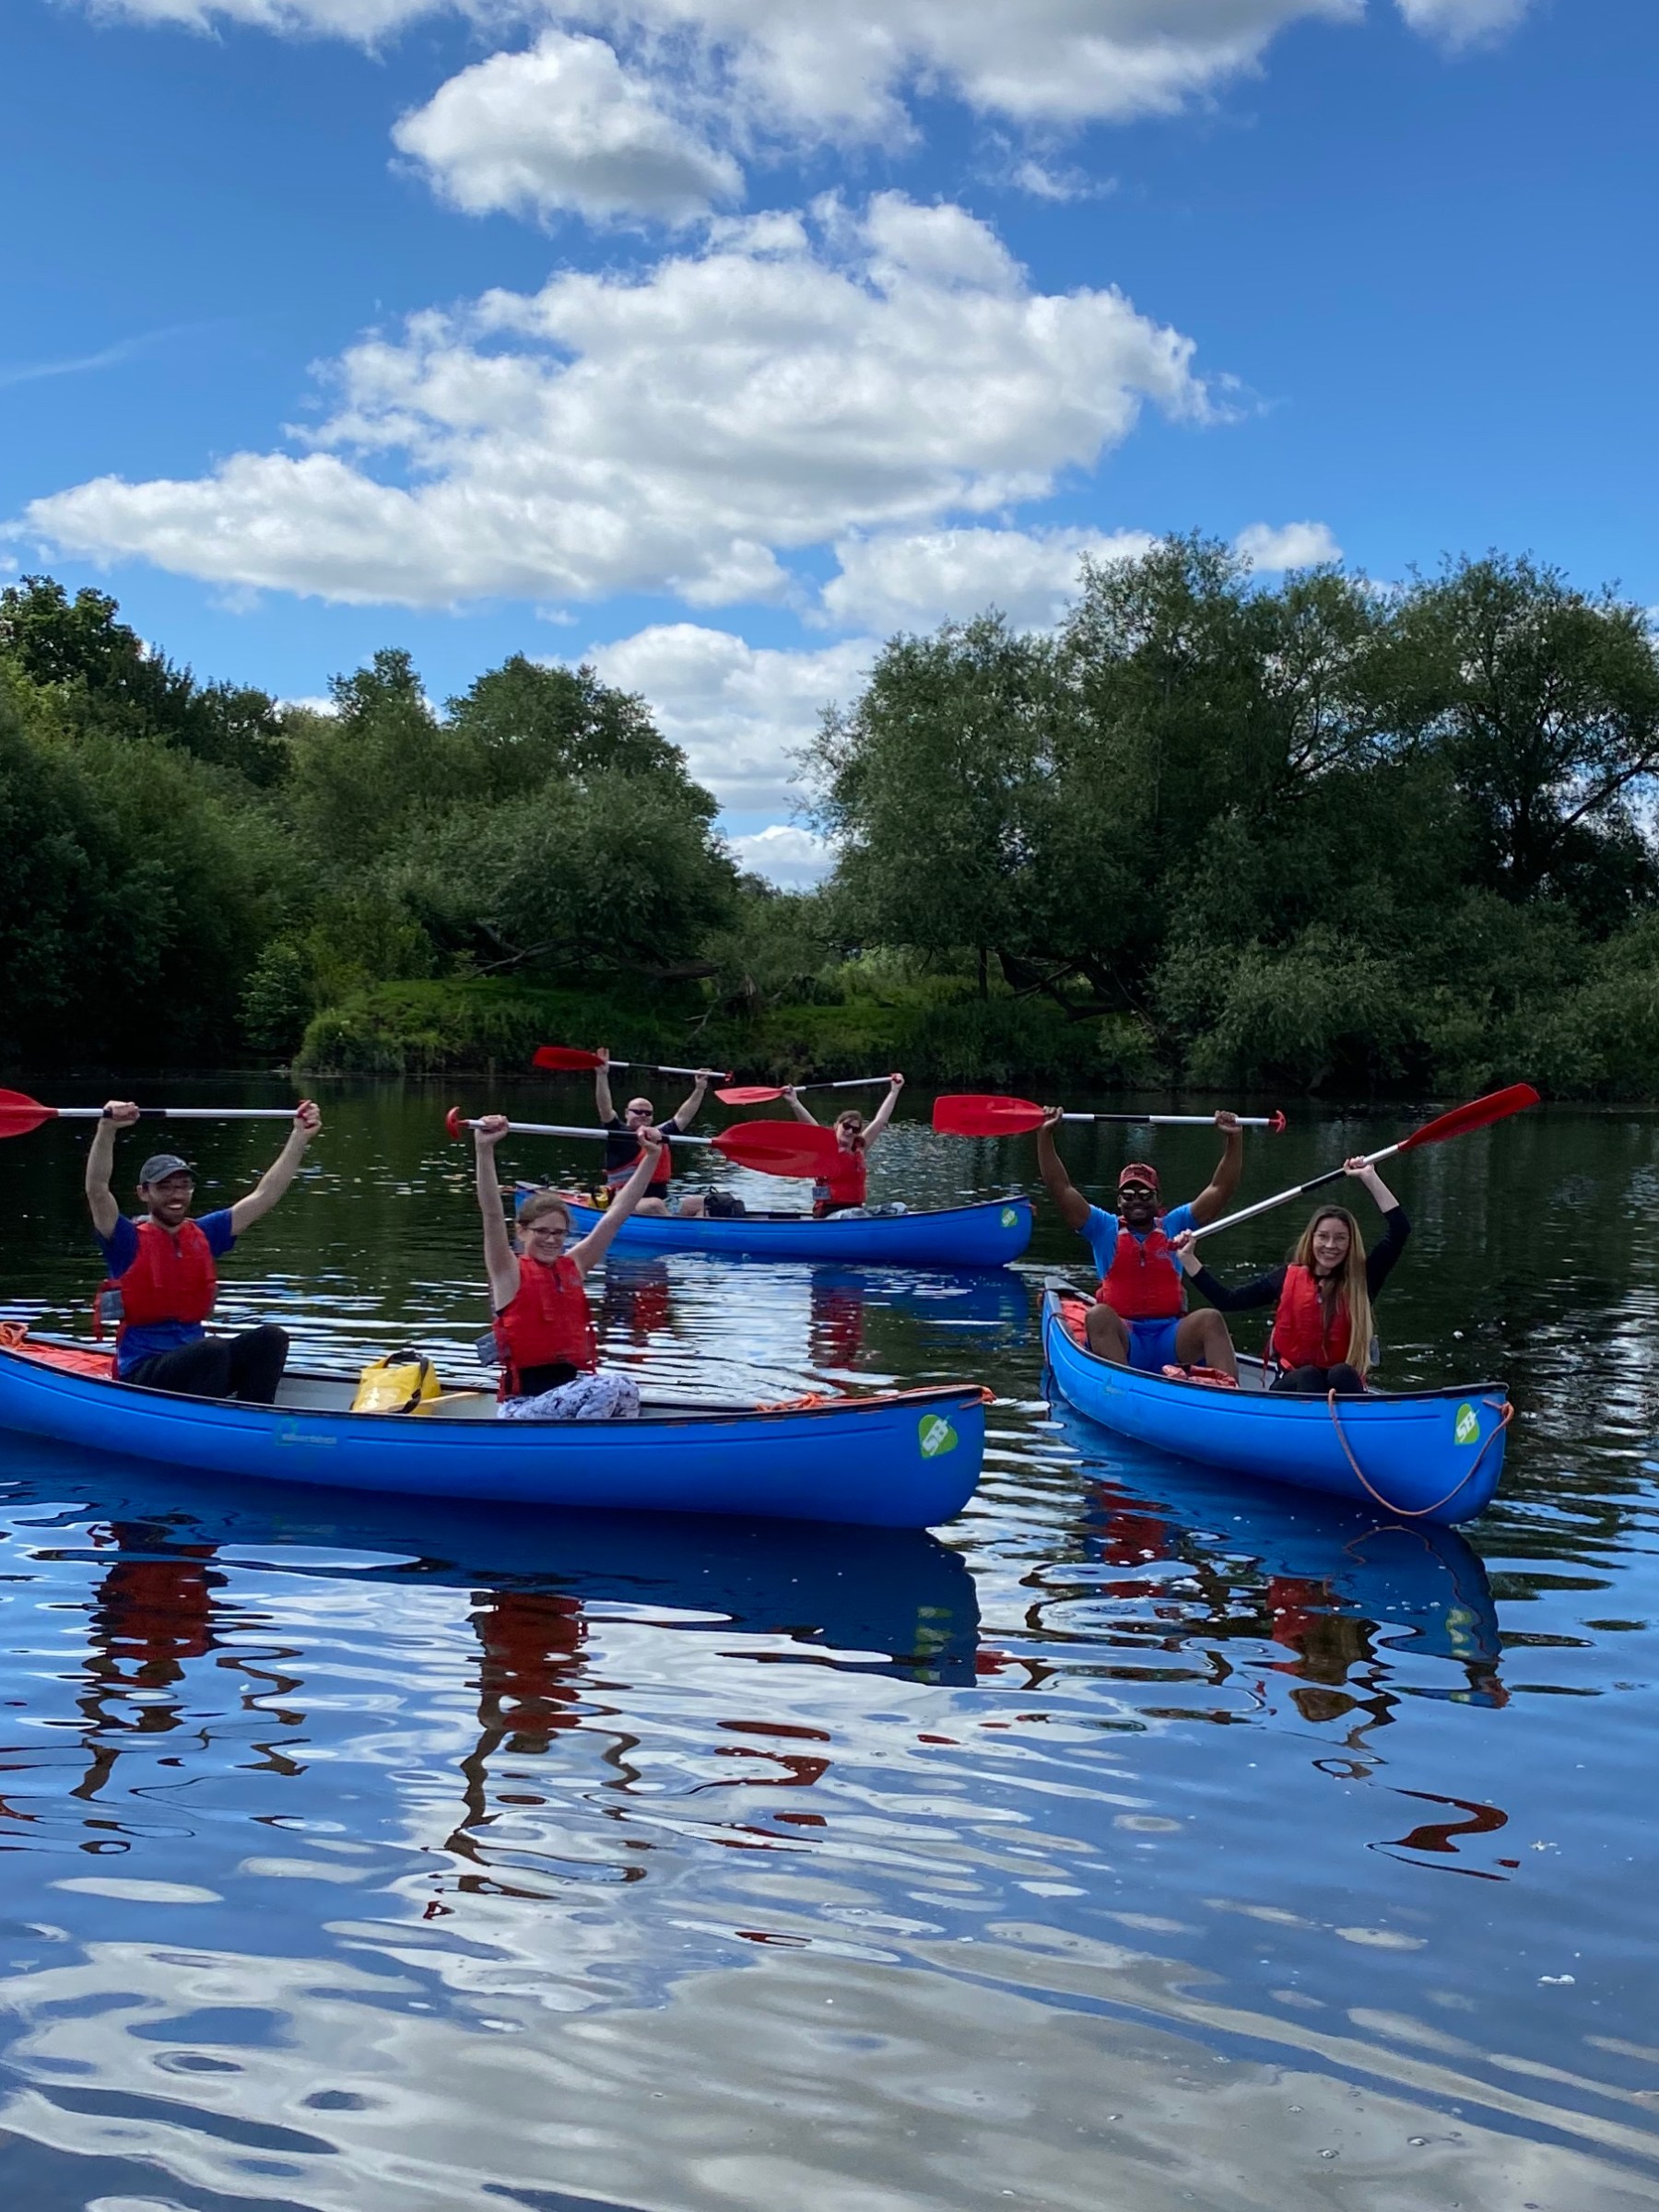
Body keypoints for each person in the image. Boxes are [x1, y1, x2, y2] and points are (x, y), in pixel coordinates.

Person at [86, 1100, 322, 1401]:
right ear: (144, 1193)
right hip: (143, 1372)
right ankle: (213, 1424)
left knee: (271, 1338)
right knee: (212, 1349)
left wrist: (299, 1137)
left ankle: (256, 1418)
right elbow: (97, 1189)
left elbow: (265, 1196)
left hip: (199, 1365)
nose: (177, 1195)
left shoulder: (205, 1234)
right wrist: (107, 1129)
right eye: (166, 1187)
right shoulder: (124, 1241)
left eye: (183, 1186)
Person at [473, 1111, 662, 1419]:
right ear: (522, 1231)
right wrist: (485, 1149)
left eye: (558, 1233)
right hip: (521, 1408)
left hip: (561, 1398)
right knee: (604, 1387)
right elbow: (492, 1214)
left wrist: (651, 1158)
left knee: (627, 1387)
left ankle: (611, 1451)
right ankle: (585, 1456)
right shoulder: (508, 1271)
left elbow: (615, 1216)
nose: (551, 1240)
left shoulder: (573, 1266)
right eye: (541, 1231)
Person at [1037, 1106, 1244, 1377]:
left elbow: (1220, 1189)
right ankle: (1123, 1390)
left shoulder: (1174, 1224)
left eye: (1145, 1193)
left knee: (1210, 1319)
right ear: (1119, 1201)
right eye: (1129, 1194)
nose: (1136, 1199)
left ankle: (1227, 1398)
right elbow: (1060, 1189)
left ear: (1158, 1199)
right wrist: (1045, 1136)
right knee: (1098, 1315)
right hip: (1125, 1338)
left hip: (1168, 1338)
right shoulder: (1103, 1228)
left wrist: (1234, 1139)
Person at [1171, 1159, 1408, 1394]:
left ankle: (1353, 1425)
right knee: (1309, 1375)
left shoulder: (1362, 1281)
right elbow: (1228, 1300)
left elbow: (1399, 1230)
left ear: (1350, 1244)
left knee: (1342, 1372)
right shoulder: (1286, 1277)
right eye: (1323, 1236)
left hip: (1340, 1388)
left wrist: (1369, 1177)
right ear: (1311, 1239)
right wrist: (1189, 1260)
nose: (1330, 1245)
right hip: (1292, 1385)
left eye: (1340, 1238)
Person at [593, 1049, 719, 1215]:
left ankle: (701, 1236)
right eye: (637, 1111)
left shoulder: (659, 1134)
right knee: (654, 1205)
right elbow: (605, 1109)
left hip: (664, 1201)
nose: (643, 1115)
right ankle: (679, 1232)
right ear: (626, 1113)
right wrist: (602, 1076)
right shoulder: (618, 1133)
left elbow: (682, 1117)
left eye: (648, 1113)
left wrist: (700, 1089)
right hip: (623, 1201)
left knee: (706, 1202)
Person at [784, 1075, 904, 1217]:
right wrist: (794, 1102)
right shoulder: (826, 1149)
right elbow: (811, 1126)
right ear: (837, 1126)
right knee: (855, 1215)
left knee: (899, 1208)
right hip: (829, 1213)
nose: (849, 1131)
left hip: (856, 1211)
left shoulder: (860, 1149)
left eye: (855, 1129)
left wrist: (894, 1091)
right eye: (846, 1126)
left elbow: (880, 1121)